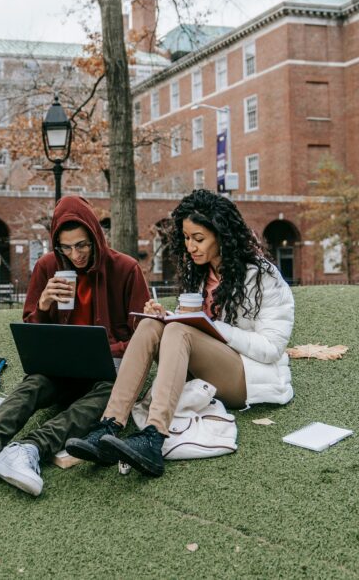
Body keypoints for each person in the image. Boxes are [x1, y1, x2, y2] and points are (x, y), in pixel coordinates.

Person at [0, 195, 149, 496]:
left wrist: (106, 350)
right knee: (34, 382)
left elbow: (144, 337)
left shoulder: (126, 269)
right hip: (62, 369)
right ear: (56, 244)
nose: (76, 254)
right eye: (67, 247)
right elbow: (32, 333)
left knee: (112, 390)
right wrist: (44, 304)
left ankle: (29, 449)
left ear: (96, 237)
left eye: (83, 245)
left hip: (107, 371)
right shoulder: (47, 266)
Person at [66, 189, 294, 477]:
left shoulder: (262, 276)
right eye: (186, 238)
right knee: (152, 324)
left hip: (247, 375)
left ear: (222, 235)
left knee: (178, 332)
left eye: (199, 239)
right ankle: (109, 425)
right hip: (205, 366)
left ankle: (153, 436)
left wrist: (208, 327)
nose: (191, 247)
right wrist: (167, 316)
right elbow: (195, 327)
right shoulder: (200, 274)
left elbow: (271, 347)